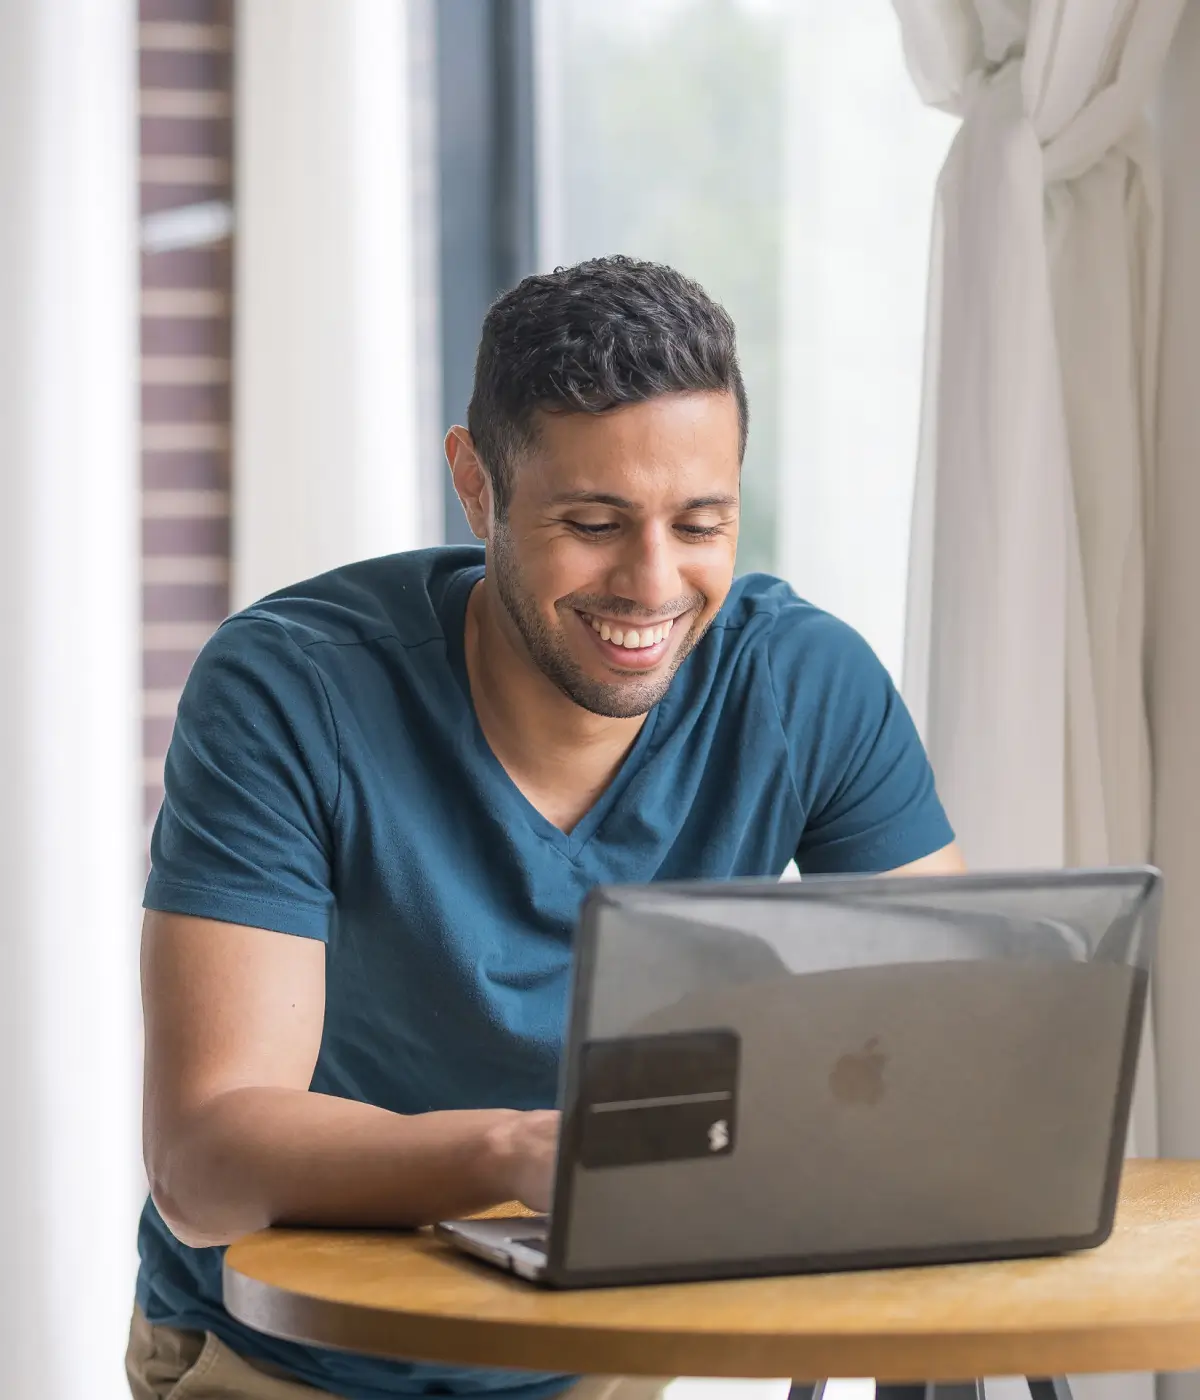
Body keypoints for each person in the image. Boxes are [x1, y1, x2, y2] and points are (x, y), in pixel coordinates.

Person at [129, 255, 963, 1400]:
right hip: (287, 1354)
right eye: (593, 521)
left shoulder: (801, 682)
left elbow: (953, 1049)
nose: (654, 582)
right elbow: (204, 1161)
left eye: (702, 520)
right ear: (476, 486)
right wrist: (517, 1154)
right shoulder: (293, 689)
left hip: (592, 1356)